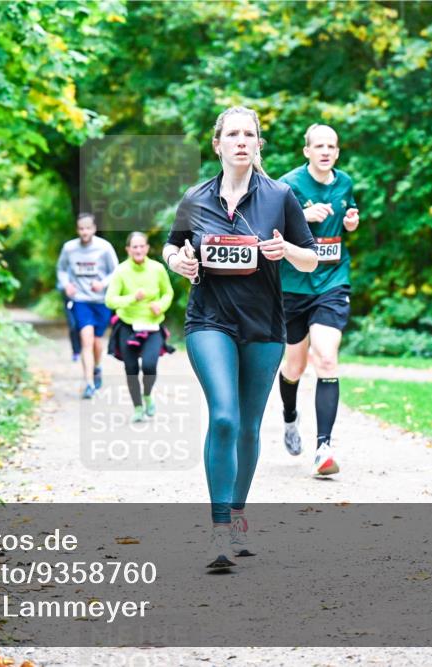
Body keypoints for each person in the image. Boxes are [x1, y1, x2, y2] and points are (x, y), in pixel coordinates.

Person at [162, 106, 317, 570]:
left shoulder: (280, 196)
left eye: (250, 134)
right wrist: (178, 263)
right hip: (209, 319)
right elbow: (172, 245)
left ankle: (238, 513)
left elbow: (310, 259)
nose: (242, 141)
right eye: (233, 134)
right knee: (225, 417)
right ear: (218, 144)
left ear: (259, 145)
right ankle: (218, 533)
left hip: (265, 325)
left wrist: (284, 249)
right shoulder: (196, 198)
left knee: (249, 426)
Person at [277, 124, 360, 478]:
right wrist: (302, 217)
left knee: (326, 358)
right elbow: (267, 226)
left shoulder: (345, 184)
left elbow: (349, 216)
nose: (325, 151)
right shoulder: (288, 185)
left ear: (337, 153)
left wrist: (352, 221)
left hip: (332, 282)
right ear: (306, 150)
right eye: (319, 146)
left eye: (332, 146)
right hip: (293, 285)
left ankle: (323, 447)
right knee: (294, 367)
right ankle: (289, 418)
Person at [105, 232, 175, 422]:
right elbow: (110, 300)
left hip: (153, 325)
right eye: (134, 247)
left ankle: (147, 395)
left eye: (141, 246)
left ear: (147, 248)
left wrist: (160, 305)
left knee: (150, 365)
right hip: (128, 325)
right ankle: (137, 407)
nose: (138, 250)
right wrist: (132, 298)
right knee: (131, 368)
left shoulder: (157, 268)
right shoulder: (121, 271)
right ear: (128, 249)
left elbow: (168, 293)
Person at [56, 213, 119, 398]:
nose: (84, 232)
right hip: (80, 299)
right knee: (86, 340)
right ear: (77, 230)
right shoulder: (69, 248)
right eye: (81, 229)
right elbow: (61, 269)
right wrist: (66, 284)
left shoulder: (104, 247)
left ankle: (97, 367)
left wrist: (103, 284)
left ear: (93, 229)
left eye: (88, 228)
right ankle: (89, 384)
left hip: (100, 301)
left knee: (98, 342)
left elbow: (116, 271)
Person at [59, 288, 82, 362]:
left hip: (84, 302)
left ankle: (84, 349)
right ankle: (76, 351)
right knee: (73, 326)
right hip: (70, 301)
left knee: (82, 327)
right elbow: (60, 285)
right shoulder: (64, 277)